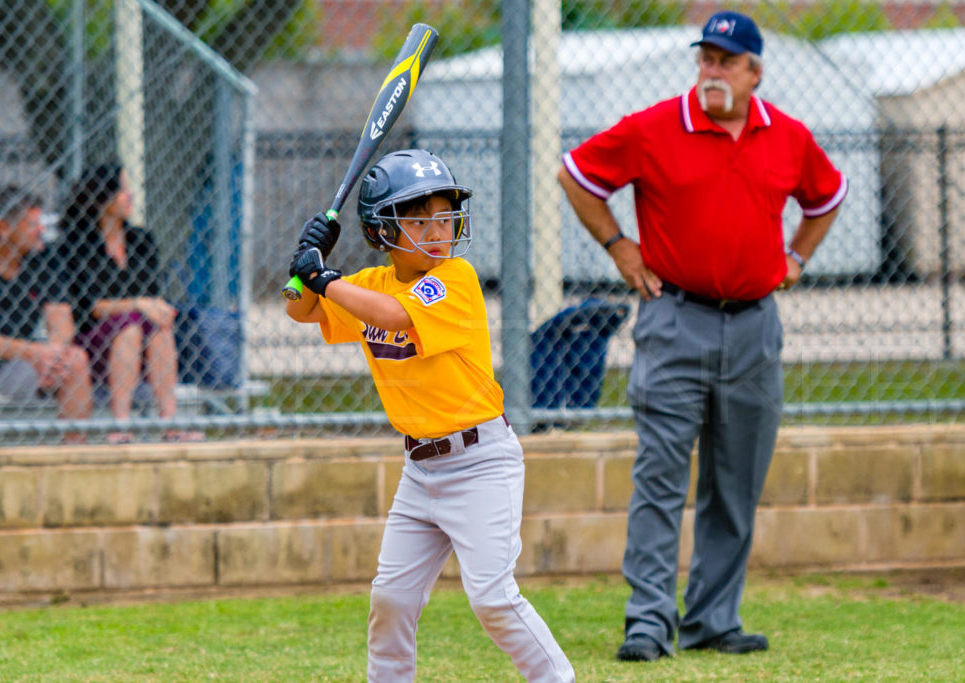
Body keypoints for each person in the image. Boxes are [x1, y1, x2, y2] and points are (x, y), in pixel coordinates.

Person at [558, 11, 847, 662]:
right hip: (674, 318)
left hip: (754, 326)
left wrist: (796, 259)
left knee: (735, 481)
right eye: (706, 59)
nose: (712, 71)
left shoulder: (789, 138)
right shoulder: (655, 127)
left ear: (754, 73)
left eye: (726, 61)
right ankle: (649, 620)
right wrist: (618, 245)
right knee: (660, 478)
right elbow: (575, 175)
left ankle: (714, 618)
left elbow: (828, 197)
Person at [286, 149, 575, 683]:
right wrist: (305, 262)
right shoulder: (369, 285)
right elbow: (297, 309)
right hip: (421, 470)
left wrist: (323, 277)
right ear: (380, 230)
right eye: (416, 220)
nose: (436, 230)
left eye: (443, 217)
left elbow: (395, 316)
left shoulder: (456, 279)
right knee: (391, 598)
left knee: (492, 598)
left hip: (481, 462)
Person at [57, 164, 201, 443]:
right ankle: (120, 424)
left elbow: (152, 296)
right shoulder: (76, 244)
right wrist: (137, 304)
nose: (130, 195)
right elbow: (90, 307)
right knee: (131, 326)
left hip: (140, 343)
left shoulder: (140, 240)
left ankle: (169, 423)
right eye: (123, 190)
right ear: (102, 198)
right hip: (94, 342)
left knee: (160, 327)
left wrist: (154, 308)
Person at [0, 186, 92, 443]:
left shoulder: (44, 255)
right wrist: (32, 352)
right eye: (32, 224)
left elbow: (62, 322)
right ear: (4, 227)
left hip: (20, 364)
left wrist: (52, 355)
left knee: (76, 360)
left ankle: (74, 458)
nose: (41, 230)